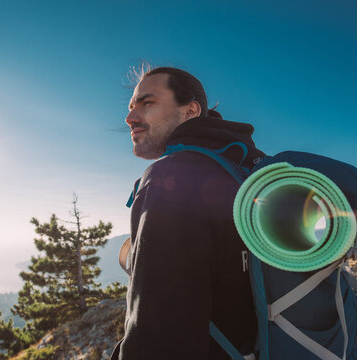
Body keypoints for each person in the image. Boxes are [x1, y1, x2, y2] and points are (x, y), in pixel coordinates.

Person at [111, 67, 265, 359]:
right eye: (131, 107)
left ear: (191, 110)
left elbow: (158, 340)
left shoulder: (172, 177)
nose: (130, 118)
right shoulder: (241, 169)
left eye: (148, 103)